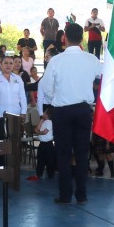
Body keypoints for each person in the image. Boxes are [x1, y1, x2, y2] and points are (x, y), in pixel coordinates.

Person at [38, 23, 100, 204]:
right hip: (83, 110)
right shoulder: (91, 59)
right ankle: (81, 195)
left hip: (63, 111)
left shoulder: (56, 61)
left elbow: (46, 87)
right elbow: (103, 76)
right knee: (82, 154)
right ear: (83, 37)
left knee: (63, 154)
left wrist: (56, 97)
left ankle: (65, 195)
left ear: (64, 37)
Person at [0, 54, 27, 166]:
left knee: (12, 141)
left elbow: (22, 96)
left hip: (15, 115)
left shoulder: (18, 79)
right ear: (1, 65)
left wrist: (23, 112)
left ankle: (10, 165)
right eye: (6, 63)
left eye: (11, 63)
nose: (8, 65)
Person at [28, 106, 56, 181]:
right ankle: (39, 173)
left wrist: (38, 132)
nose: (43, 113)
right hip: (42, 144)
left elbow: (44, 132)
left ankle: (50, 173)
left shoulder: (49, 122)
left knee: (49, 160)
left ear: (47, 114)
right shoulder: (43, 121)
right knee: (40, 159)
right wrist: (41, 120)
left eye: (44, 112)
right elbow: (36, 129)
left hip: (48, 144)